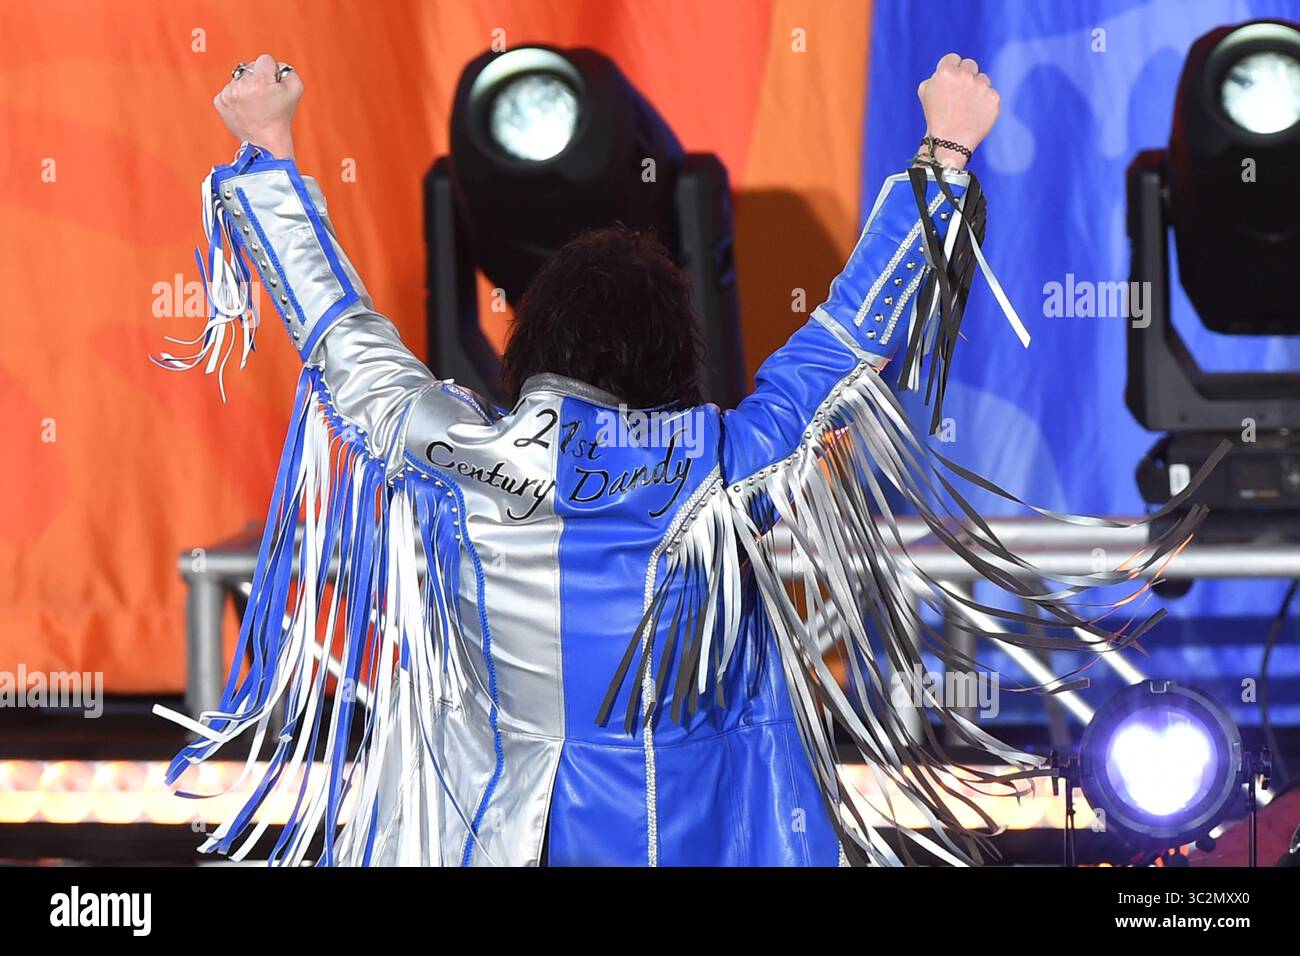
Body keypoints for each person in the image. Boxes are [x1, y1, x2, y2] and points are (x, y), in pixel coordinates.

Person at [155, 52, 1202, 866]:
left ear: (527, 347)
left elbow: (341, 336)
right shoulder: (718, 459)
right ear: (673, 354)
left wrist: (268, 152)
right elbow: (846, 339)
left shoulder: (454, 452)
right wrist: (944, 154)